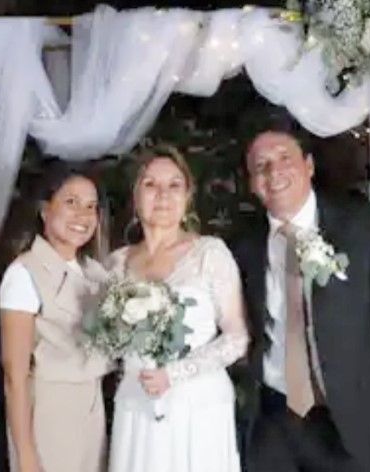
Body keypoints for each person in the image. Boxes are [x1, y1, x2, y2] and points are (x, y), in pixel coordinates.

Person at [232, 125, 370, 472]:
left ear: (309, 165)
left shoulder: (365, 226)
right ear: (253, 183)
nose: (274, 172)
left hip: (351, 425)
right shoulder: (244, 246)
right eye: (260, 166)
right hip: (272, 421)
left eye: (284, 158)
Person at [107, 144, 249, 472]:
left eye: (174, 185)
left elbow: (236, 338)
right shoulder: (116, 263)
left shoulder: (209, 253)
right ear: (135, 196)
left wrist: (173, 374)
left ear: (187, 196)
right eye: (151, 184)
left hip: (197, 407)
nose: (163, 195)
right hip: (136, 402)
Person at [0, 161, 111, 472]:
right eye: (71, 202)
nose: (83, 215)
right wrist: (26, 455)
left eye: (91, 206)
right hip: (50, 412)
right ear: (45, 210)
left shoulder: (95, 273)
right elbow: (15, 377)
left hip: (92, 408)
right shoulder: (24, 273)